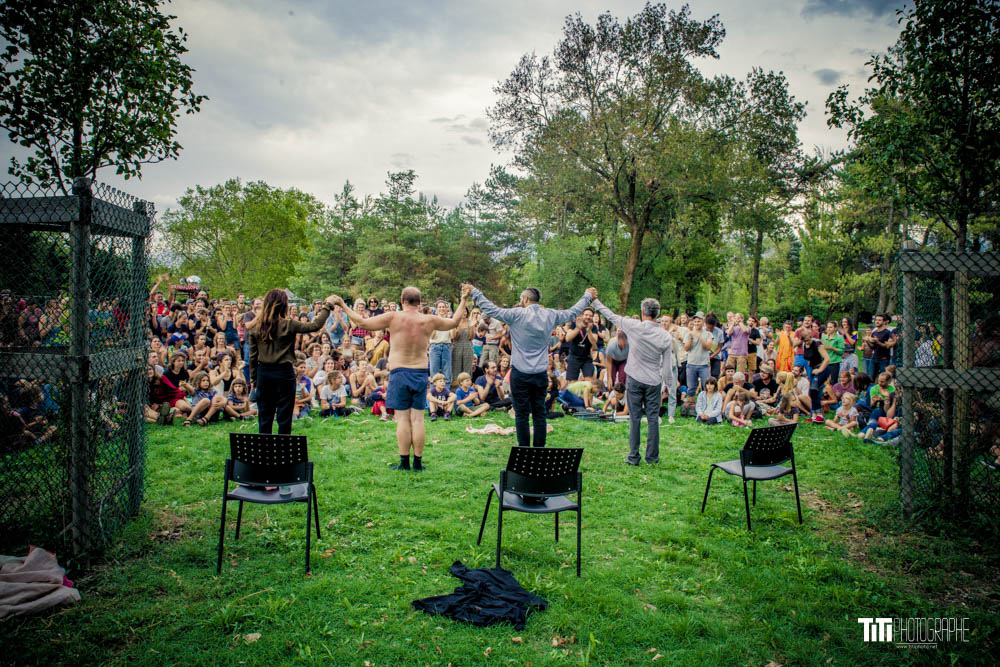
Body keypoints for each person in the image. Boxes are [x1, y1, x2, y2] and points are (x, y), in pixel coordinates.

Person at [331, 285, 469, 471]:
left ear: (402, 301)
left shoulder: (393, 317)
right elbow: (454, 322)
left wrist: (341, 303)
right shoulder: (428, 319)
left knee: (403, 419)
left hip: (399, 372)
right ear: (419, 303)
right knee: (418, 420)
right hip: (419, 372)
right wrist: (463, 299)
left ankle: (405, 463)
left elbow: (362, 323)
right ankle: (418, 464)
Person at [465, 284, 595, 448]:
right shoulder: (550, 315)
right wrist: (587, 296)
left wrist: (475, 292)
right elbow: (573, 312)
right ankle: (539, 450)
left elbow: (490, 309)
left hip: (520, 373)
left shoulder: (516, 314)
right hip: (540, 373)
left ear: (525, 299)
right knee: (539, 413)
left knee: (521, 414)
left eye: (521, 299)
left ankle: (524, 449)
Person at [592, 297, 674, 465]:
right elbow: (667, 366)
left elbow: (611, 315)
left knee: (634, 418)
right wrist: (668, 386)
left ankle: (634, 456)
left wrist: (595, 302)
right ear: (657, 314)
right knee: (652, 419)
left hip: (635, 379)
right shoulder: (665, 336)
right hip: (653, 380)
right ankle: (652, 457)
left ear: (643, 312)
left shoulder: (634, 326)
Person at [248, 289, 334, 435]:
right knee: (284, 417)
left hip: (264, 374)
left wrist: (254, 380)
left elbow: (252, 357)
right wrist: (327, 306)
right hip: (284, 373)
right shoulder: (288, 324)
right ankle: (284, 455)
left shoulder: (255, 326)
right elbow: (314, 326)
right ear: (283, 305)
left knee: (264, 417)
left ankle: (264, 454)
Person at [684, 313, 714, 397]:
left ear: (703, 321)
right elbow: (686, 348)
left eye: (699, 321)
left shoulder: (708, 334)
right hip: (691, 364)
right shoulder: (688, 334)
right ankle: (692, 405)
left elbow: (708, 347)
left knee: (707, 387)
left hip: (704, 365)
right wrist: (691, 339)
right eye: (695, 321)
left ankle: (707, 405)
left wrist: (700, 337)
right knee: (691, 387)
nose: (697, 323)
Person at [564, 308, 598, 381]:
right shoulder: (574, 324)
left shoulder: (593, 327)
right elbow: (567, 338)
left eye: (590, 315)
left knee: (589, 381)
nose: (588, 317)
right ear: (582, 315)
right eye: (586, 315)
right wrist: (578, 328)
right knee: (572, 382)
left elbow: (594, 342)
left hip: (586, 357)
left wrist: (589, 330)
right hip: (574, 356)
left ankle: (586, 392)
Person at [864, 314, 895, 380]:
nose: (877, 322)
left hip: (883, 358)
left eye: (879, 320)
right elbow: (872, 347)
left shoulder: (887, 332)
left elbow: (887, 346)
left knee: (883, 377)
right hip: (874, 357)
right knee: (871, 377)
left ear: (884, 322)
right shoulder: (874, 332)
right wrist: (867, 341)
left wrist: (878, 342)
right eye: (876, 320)